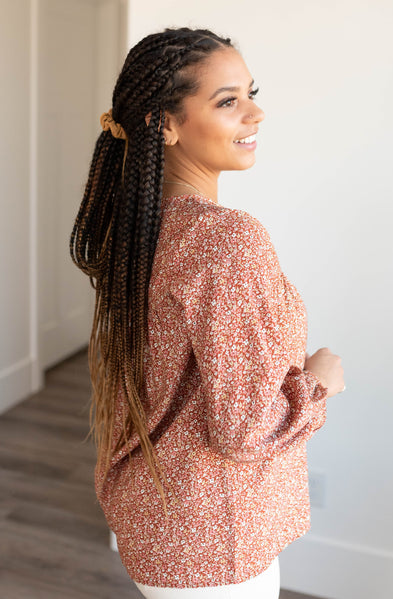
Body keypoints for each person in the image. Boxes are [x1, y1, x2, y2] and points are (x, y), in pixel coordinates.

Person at [70, 26, 345, 599]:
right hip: (211, 538)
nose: (257, 113)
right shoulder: (224, 241)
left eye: (250, 92)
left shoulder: (137, 228)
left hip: (156, 519)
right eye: (228, 101)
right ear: (164, 125)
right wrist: (318, 383)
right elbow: (246, 429)